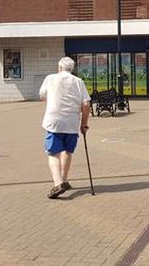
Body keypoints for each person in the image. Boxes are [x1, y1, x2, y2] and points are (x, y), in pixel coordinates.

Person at [39, 57, 91, 199]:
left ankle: (58, 183)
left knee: (53, 153)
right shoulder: (78, 82)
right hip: (72, 123)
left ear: (59, 67)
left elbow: (42, 96)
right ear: (72, 69)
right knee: (67, 151)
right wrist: (84, 124)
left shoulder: (50, 78)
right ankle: (65, 180)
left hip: (54, 122)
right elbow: (86, 104)